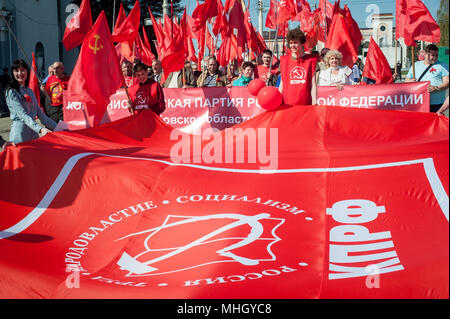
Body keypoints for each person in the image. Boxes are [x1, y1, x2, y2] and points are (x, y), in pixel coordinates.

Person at [5, 59, 57, 144]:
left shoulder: (29, 91)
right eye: (16, 71)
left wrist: (58, 128)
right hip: (20, 134)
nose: (19, 73)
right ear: (12, 73)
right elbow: (23, 115)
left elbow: (41, 115)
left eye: (22, 70)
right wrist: (40, 129)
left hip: (33, 134)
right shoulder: (12, 91)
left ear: (27, 71)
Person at [278, 27, 319, 106]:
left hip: (305, 104)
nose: (292, 45)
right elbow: (282, 84)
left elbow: (313, 84)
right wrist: (278, 100)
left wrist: (314, 101)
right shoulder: (284, 61)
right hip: (287, 104)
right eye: (291, 43)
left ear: (302, 43)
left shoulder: (311, 61)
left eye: (295, 43)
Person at [405, 44, 449, 113]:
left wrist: (436, 88)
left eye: (436, 55)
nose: (434, 58)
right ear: (425, 54)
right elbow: (406, 81)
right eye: (432, 55)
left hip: (437, 104)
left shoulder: (442, 65)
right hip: (419, 103)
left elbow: (447, 82)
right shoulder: (416, 65)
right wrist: (411, 82)